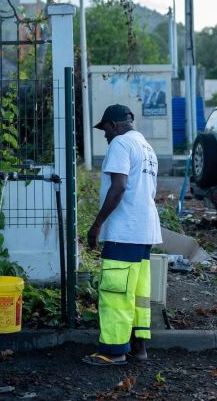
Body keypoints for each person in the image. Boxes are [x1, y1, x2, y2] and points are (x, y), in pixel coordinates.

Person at [82, 104, 162, 366]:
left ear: (114, 125)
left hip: (124, 231)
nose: (105, 135)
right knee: (138, 294)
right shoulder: (147, 148)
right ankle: (138, 348)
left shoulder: (120, 144)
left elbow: (119, 187)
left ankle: (113, 352)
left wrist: (97, 225)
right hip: (145, 231)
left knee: (115, 292)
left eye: (105, 129)